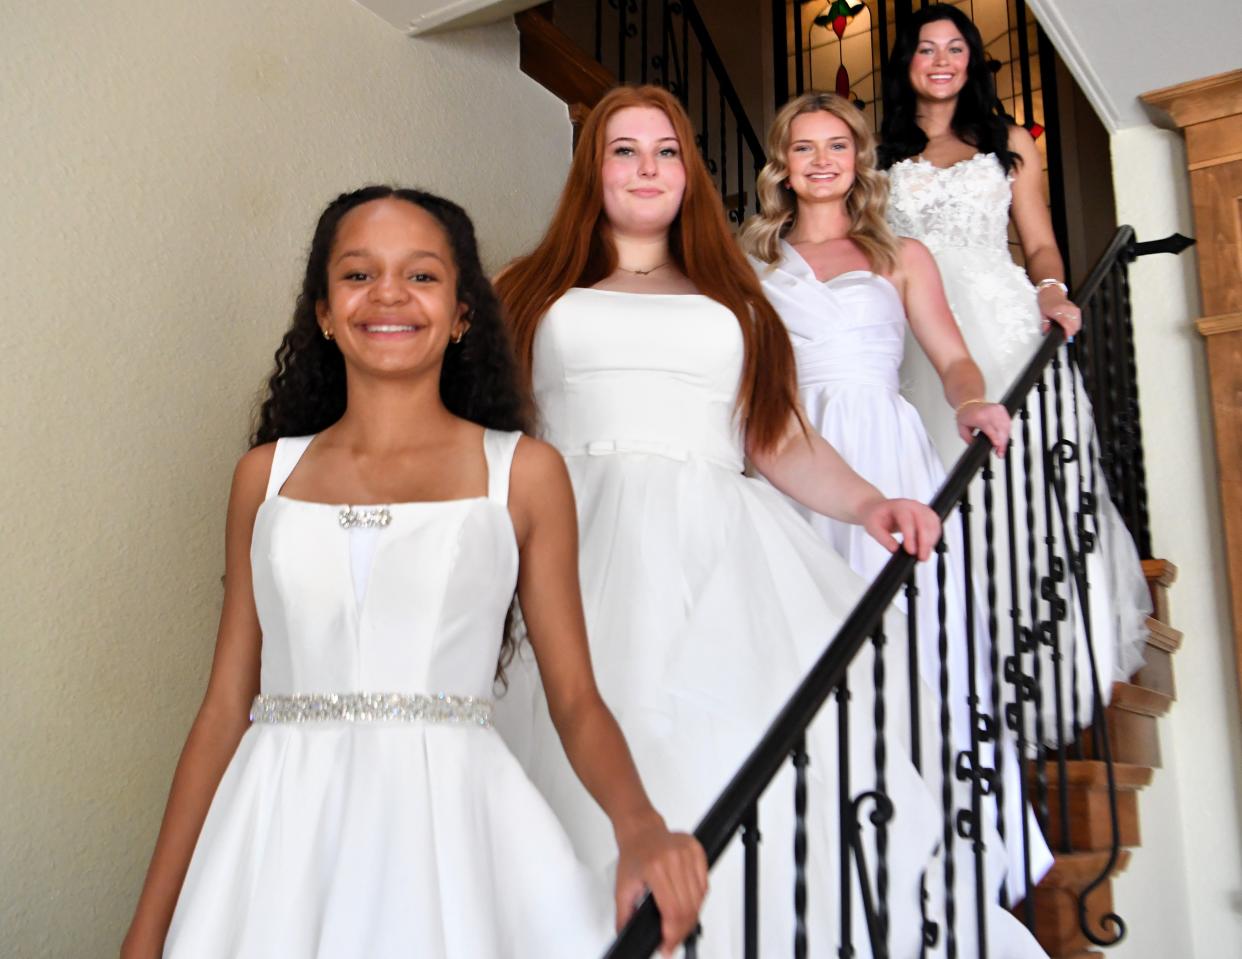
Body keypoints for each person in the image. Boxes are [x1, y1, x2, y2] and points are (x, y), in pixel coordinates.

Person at [120, 186, 707, 959]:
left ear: (463, 312)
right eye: (358, 274)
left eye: (423, 275)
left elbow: (575, 698)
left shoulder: (524, 474)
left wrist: (639, 825)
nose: (389, 293)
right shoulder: (263, 478)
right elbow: (224, 708)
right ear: (324, 312)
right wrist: (148, 928)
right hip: (276, 837)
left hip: (450, 831)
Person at [494, 84, 944, 958]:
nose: (646, 168)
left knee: (718, 747)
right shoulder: (530, 286)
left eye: (665, 150)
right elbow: (486, 425)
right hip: (568, 536)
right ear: (592, 170)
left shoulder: (735, 292)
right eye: (623, 150)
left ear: (690, 171)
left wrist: (868, 500)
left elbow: (775, 435)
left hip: (716, 541)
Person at [741, 91, 1052, 952]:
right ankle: (839, 853)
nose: (820, 160)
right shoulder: (751, 261)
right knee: (810, 651)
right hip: (796, 460)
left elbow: (952, 356)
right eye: (802, 147)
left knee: (922, 643)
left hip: (888, 455)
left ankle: (957, 852)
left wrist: (973, 400)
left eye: (836, 144)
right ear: (782, 163)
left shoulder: (900, 252)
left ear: (859, 155)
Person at [879, 5, 1150, 714]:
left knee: (1025, 485)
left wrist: (1053, 292)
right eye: (927, 48)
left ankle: (1053, 660)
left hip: (999, 321)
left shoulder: (1010, 145)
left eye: (956, 47)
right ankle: (960, 677)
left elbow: (1038, 244)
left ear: (972, 61)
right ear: (906, 61)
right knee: (942, 486)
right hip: (919, 334)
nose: (942, 60)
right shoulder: (877, 161)